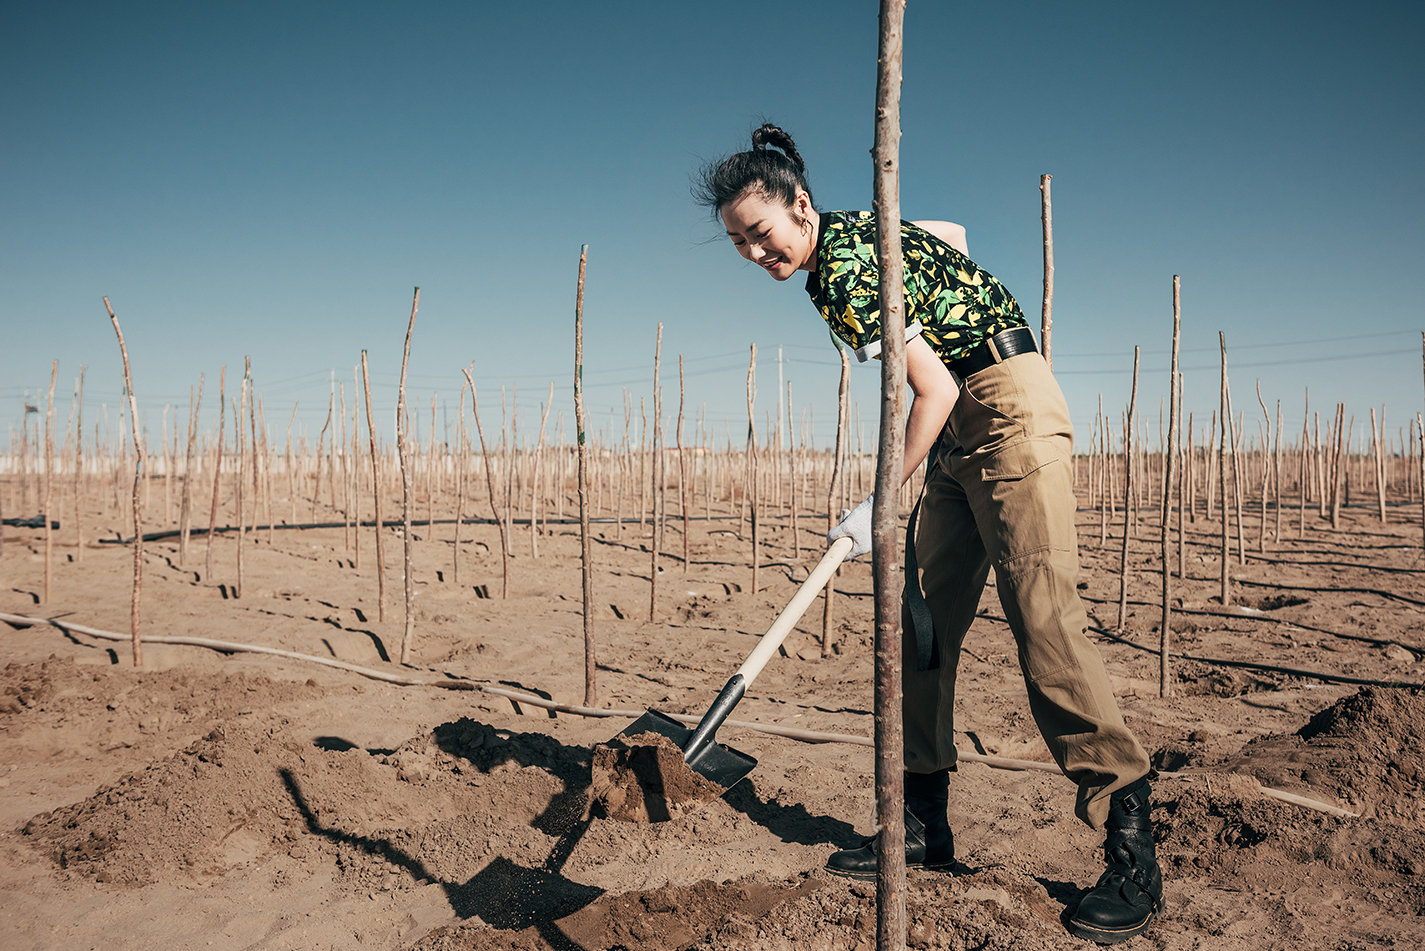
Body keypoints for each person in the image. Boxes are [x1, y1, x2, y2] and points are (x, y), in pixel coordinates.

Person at [694, 123, 1163, 945]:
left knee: (1043, 622)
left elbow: (932, 388)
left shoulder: (843, 269)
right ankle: (923, 826)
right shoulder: (858, 237)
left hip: (1004, 412)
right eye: (737, 242)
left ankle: (1128, 840)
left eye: (760, 232)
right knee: (919, 632)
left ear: (799, 206)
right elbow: (949, 236)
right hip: (958, 439)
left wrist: (877, 500)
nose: (752, 252)